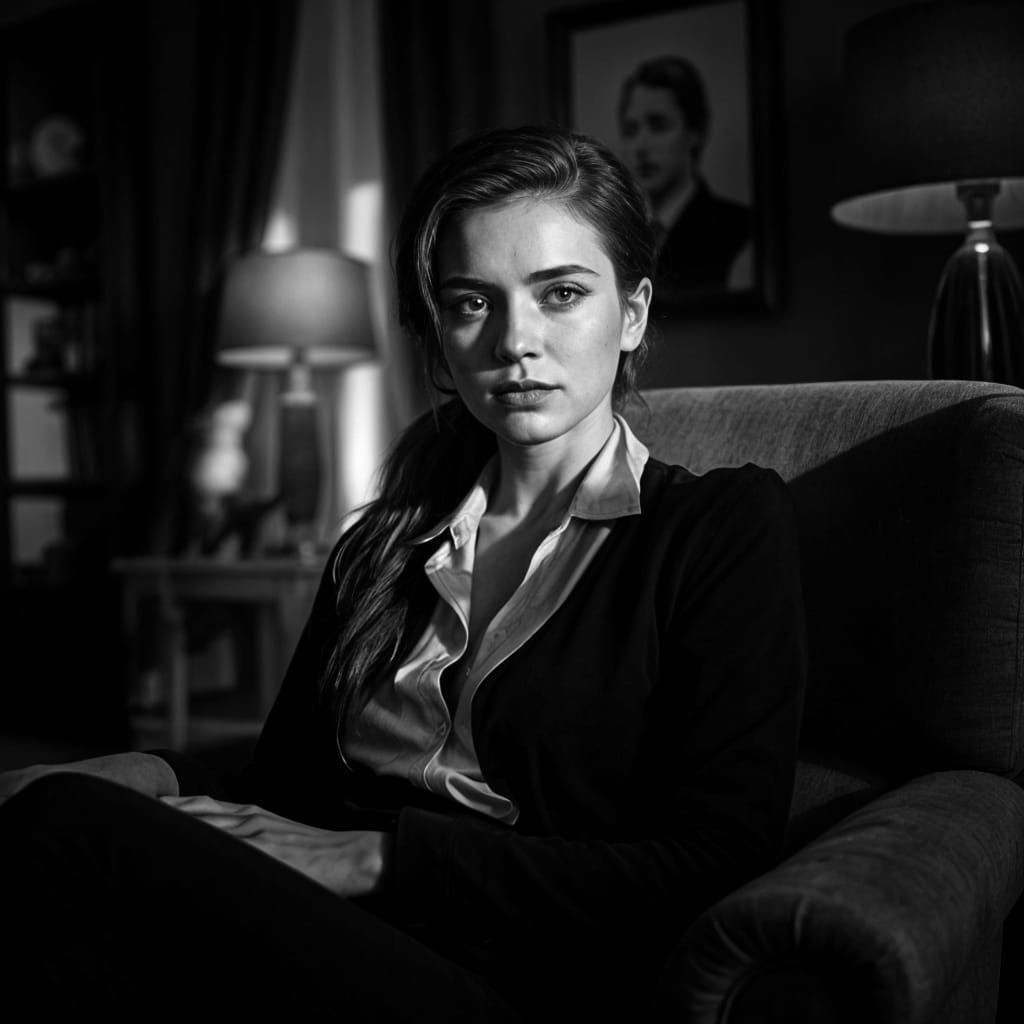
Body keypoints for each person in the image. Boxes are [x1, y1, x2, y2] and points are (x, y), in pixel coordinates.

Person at [0, 125, 805, 1022]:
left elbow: (713, 862)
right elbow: (283, 787)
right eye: (472, 303)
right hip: (313, 929)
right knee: (57, 813)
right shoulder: (385, 543)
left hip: (511, 970)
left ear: (634, 313)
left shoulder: (719, 527)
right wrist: (153, 770)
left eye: (561, 294)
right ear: (439, 333)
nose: (515, 341)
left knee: (61, 838)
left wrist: (377, 857)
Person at [619, 55, 752, 298]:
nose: (640, 146)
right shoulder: (618, 235)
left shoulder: (737, 230)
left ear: (694, 132)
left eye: (658, 126)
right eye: (631, 130)